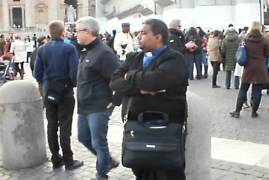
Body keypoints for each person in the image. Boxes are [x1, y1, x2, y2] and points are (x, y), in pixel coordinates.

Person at [110, 18, 188, 180]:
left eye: (144, 33)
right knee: (141, 168)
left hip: (166, 126)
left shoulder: (175, 58)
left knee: (168, 171)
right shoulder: (133, 58)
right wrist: (142, 88)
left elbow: (155, 81)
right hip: (137, 125)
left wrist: (130, 76)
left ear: (158, 37)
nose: (139, 36)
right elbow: (115, 81)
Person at [34, 20, 83, 170]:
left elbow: (37, 73)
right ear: (63, 32)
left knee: (51, 125)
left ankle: (56, 158)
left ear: (49, 33)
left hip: (49, 92)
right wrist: (71, 84)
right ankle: (68, 160)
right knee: (65, 126)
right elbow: (74, 74)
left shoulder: (42, 49)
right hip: (65, 91)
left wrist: (46, 83)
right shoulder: (69, 48)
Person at [75, 16, 120, 180]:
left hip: (99, 107)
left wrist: (115, 101)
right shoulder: (87, 50)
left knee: (98, 142)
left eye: (78, 31)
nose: (75, 34)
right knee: (83, 137)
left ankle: (102, 173)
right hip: (84, 106)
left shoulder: (104, 53)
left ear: (88, 32)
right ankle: (107, 160)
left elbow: (120, 78)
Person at [230, 21, 269, 118]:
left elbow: (241, 52)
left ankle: (237, 111)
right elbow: (268, 54)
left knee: (243, 89)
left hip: (248, 68)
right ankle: (254, 112)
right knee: (257, 91)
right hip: (260, 67)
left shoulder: (245, 39)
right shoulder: (264, 40)